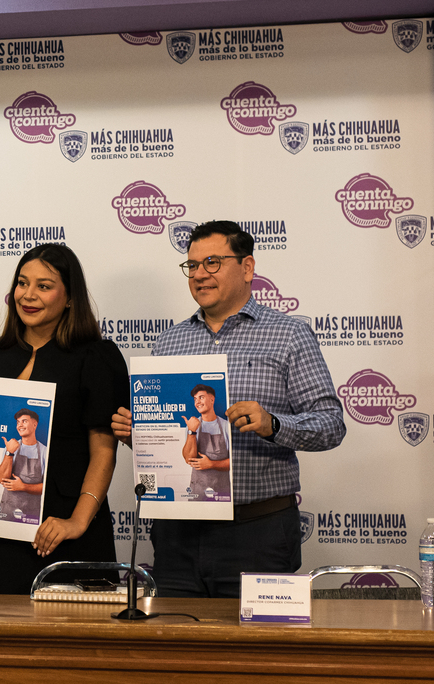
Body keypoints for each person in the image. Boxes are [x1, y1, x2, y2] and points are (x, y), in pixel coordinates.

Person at [111, 220, 345, 597]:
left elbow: (331, 425)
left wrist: (273, 424)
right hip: (177, 534)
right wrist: (137, 433)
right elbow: (168, 441)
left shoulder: (289, 335)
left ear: (247, 267)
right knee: (175, 635)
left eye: (213, 263)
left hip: (258, 533)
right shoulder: (169, 342)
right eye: (192, 265)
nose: (199, 274)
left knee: (258, 638)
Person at [0, 243, 127, 594]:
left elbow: (104, 452)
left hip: (64, 531)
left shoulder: (96, 357)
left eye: (44, 286)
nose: (28, 295)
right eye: (22, 283)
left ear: (69, 298)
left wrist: (76, 522)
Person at [0, 409, 45, 523]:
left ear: (34, 424)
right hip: (7, 512)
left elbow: (46, 488)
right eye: (18, 422)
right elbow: (2, 479)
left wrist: (23, 487)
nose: (20, 425)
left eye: (24, 421)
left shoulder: (44, 452)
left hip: (32, 515)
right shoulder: (10, 448)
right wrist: (9, 453)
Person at [183, 384, 230, 500]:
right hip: (197, 492)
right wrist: (191, 432)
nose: (197, 402)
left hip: (222, 493)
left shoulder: (226, 426)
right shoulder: (192, 426)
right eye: (195, 399)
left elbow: (233, 462)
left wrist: (211, 464)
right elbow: (189, 459)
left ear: (212, 399)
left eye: (201, 397)